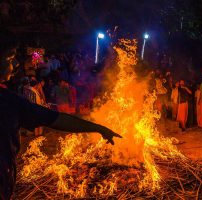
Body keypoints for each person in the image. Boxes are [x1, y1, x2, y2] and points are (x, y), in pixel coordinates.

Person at [0, 55, 121, 200]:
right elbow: (57, 119)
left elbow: (54, 118)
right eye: (9, 58)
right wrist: (99, 128)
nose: (15, 63)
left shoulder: (10, 99)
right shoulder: (8, 101)